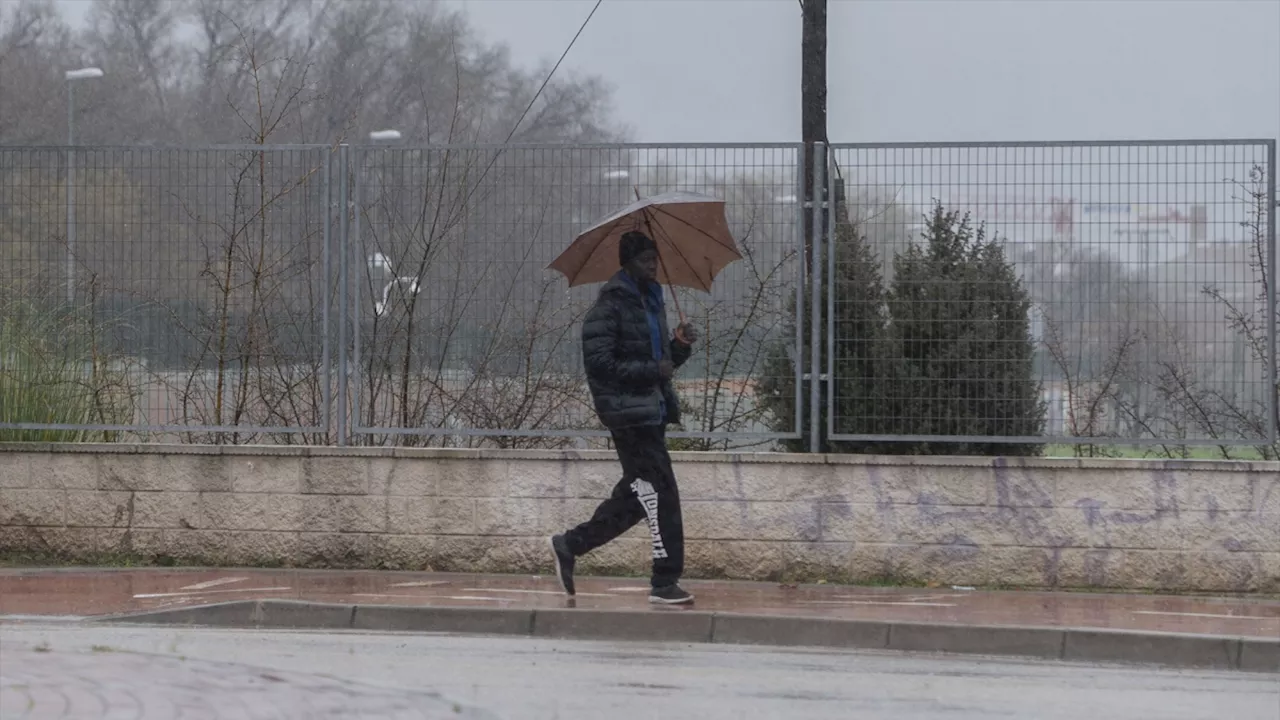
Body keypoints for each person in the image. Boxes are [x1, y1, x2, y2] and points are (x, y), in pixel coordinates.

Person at [549, 230, 699, 605]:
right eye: (646, 258)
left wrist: (679, 346)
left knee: (641, 495)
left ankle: (570, 544)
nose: (653, 264)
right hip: (627, 416)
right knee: (662, 496)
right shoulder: (610, 306)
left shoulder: (650, 300)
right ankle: (664, 583)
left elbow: (662, 364)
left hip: (652, 412)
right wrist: (654, 369)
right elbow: (601, 364)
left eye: (655, 257)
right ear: (627, 262)